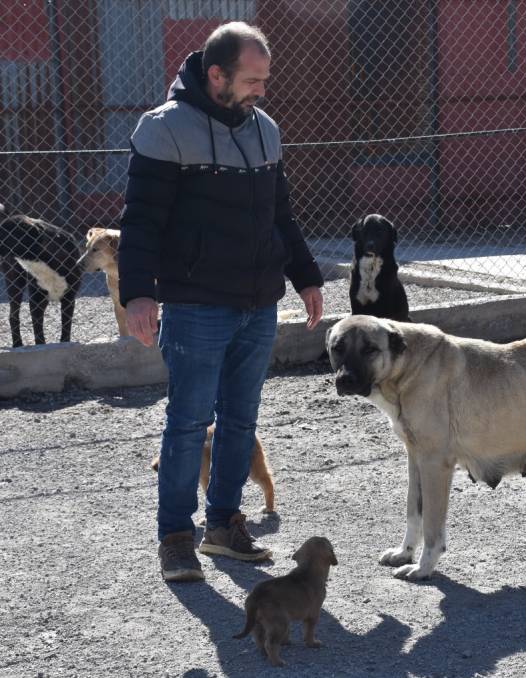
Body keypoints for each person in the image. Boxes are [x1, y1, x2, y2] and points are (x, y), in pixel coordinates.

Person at [118, 22, 324, 582]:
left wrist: (306, 275)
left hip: (257, 303)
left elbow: (282, 214)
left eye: (264, 79)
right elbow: (140, 221)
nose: (262, 90)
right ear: (216, 75)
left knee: (240, 421)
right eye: (252, 80)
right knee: (188, 424)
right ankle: (176, 538)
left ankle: (224, 525)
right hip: (195, 305)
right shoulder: (163, 131)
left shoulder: (265, 131)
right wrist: (138, 294)